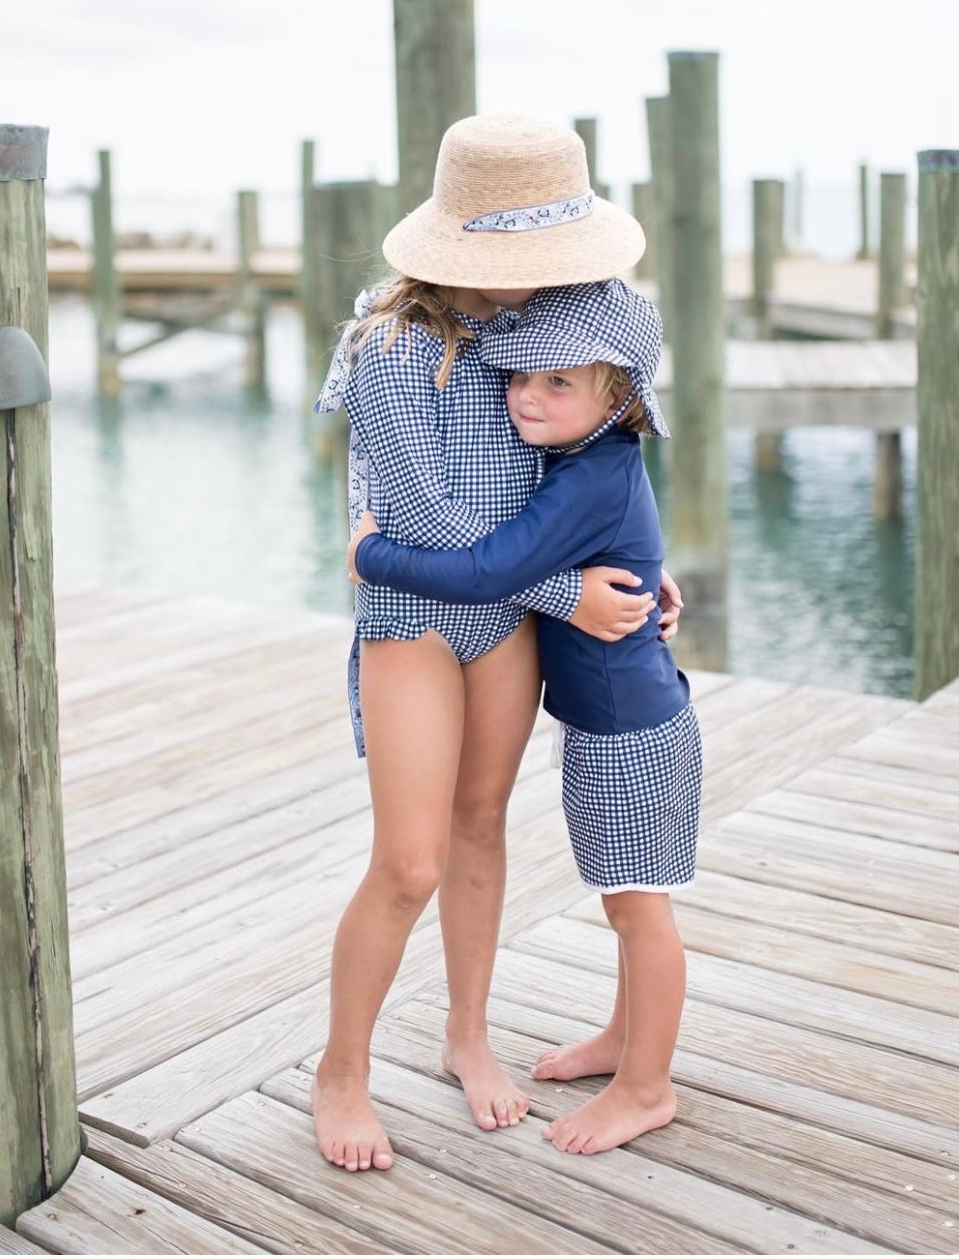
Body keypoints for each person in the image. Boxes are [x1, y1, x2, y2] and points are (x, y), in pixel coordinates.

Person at [311, 115, 684, 1172]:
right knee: (410, 859)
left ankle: (466, 1033)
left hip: (512, 617)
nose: (533, 285)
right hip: (419, 616)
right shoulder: (386, 350)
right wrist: (570, 587)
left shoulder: (559, 328)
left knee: (481, 825)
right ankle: (342, 1070)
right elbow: (423, 524)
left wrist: (634, 563)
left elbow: (589, 462)